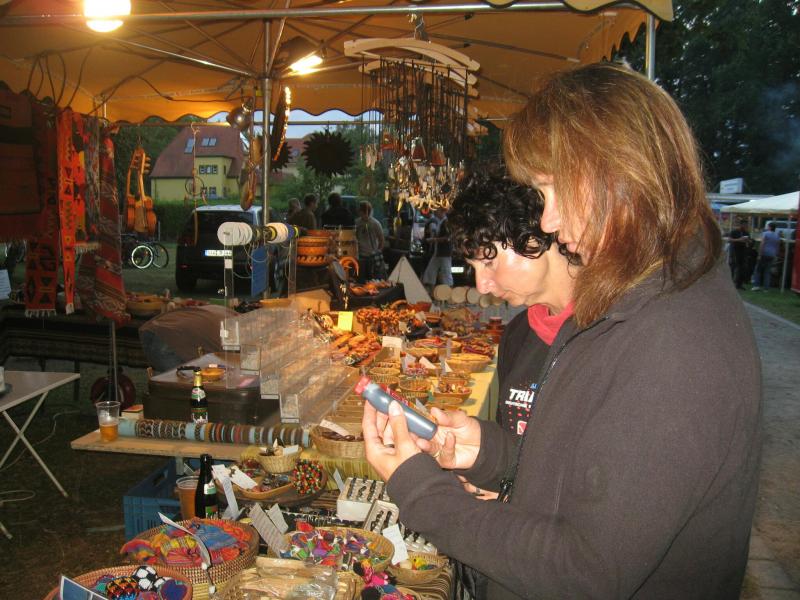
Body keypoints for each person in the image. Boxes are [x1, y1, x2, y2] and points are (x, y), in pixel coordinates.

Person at [363, 62, 761, 600]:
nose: (547, 222)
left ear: (614, 174)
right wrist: (488, 452)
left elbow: (586, 571)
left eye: (551, 190)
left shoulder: (675, 342)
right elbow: (584, 477)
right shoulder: (627, 304)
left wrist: (421, 490)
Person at [447, 170, 577, 437]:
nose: (481, 286)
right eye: (474, 267)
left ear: (534, 235)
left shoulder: (610, 331)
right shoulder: (517, 335)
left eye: (489, 262)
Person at [421, 205, 453, 290]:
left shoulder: (446, 222)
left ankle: (449, 292)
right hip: (438, 252)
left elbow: (448, 238)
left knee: (446, 273)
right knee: (430, 272)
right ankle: (431, 291)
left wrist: (433, 239)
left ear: (442, 211)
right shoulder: (440, 222)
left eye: (437, 210)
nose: (435, 212)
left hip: (444, 252)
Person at [355, 200, 385, 281]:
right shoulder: (357, 223)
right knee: (361, 279)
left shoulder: (375, 223)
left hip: (371, 256)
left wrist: (377, 252)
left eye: (361, 211)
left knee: (372, 279)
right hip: (361, 256)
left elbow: (381, 240)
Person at [752, 222, 779, 290]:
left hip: (764, 253)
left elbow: (762, 243)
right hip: (772, 254)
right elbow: (777, 246)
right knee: (767, 271)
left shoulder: (765, 233)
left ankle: (756, 285)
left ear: (769, 227)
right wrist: (776, 254)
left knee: (758, 270)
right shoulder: (777, 235)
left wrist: (759, 254)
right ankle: (766, 287)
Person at [726, 218, 753, 289]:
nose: (746, 226)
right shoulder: (734, 231)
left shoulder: (746, 233)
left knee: (742, 268)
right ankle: (730, 283)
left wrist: (748, 241)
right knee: (734, 267)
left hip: (743, 252)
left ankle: (739, 284)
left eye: (746, 225)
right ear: (741, 224)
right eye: (745, 224)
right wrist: (739, 240)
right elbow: (729, 240)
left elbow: (750, 241)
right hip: (735, 251)